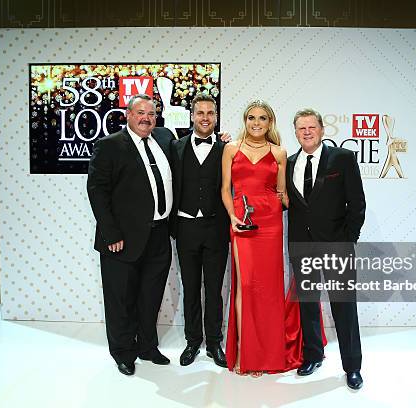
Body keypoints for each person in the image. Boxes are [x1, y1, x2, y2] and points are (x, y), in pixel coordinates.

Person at [87, 94, 175, 376]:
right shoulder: (109, 146)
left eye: (151, 113)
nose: (146, 118)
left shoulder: (163, 138)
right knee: (120, 298)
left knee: (150, 296)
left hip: (159, 235)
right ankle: (123, 352)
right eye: (140, 113)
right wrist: (111, 233)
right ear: (128, 115)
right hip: (121, 239)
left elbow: (187, 151)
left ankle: (148, 347)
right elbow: (97, 192)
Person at [221, 100, 302, 377]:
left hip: (270, 223)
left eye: (263, 118)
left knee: (267, 289)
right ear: (245, 120)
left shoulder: (279, 152)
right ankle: (245, 352)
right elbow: (224, 189)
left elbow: (281, 194)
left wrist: (309, 208)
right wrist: (233, 217)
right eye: (252, 118)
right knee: (245, 286)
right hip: (242, 222)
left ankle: (265, 355)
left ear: (270, 123)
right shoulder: (231, 149)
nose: (257, 123)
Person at [286, 108, 366, 389]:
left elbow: (356, 204)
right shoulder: (290, 162)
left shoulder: (342, 158)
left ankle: (352, 366)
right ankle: (312, 355)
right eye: (301, 128)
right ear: (295, 132)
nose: (306, 132)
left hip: (336, 246)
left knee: (344, 307)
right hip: (301, 245)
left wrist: (348, 240)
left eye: (311, 127)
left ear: (321, 129)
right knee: (307, 304)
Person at [170, 94, 229, 368]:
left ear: (216, 117)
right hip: (186, 226)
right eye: (200, 112)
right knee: (190, 288)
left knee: (214, 288)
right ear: (192, 116)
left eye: (210, 113)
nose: (205, 117)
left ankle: (215, 342)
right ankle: (192, 340)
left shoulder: (228, 148)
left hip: (216, 227)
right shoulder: (175, 147)